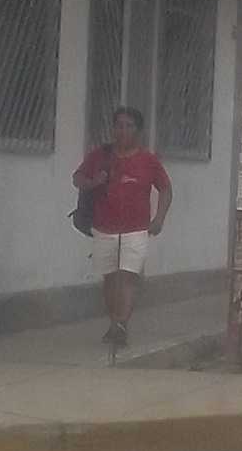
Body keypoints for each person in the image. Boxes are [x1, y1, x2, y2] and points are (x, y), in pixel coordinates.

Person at [73, 104, 173, 360]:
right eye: (119, 126)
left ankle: (121, 324)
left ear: (138, 131)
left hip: (136, 230)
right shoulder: (99, 156)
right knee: (110, 278)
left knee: (127, 276)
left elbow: (165, 189)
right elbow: (78, 179)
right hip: (104, 227)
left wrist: (159, 218)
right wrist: (93, 182)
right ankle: (114, 320)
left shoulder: (148, 161)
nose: (123, 131)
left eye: (129, 126)